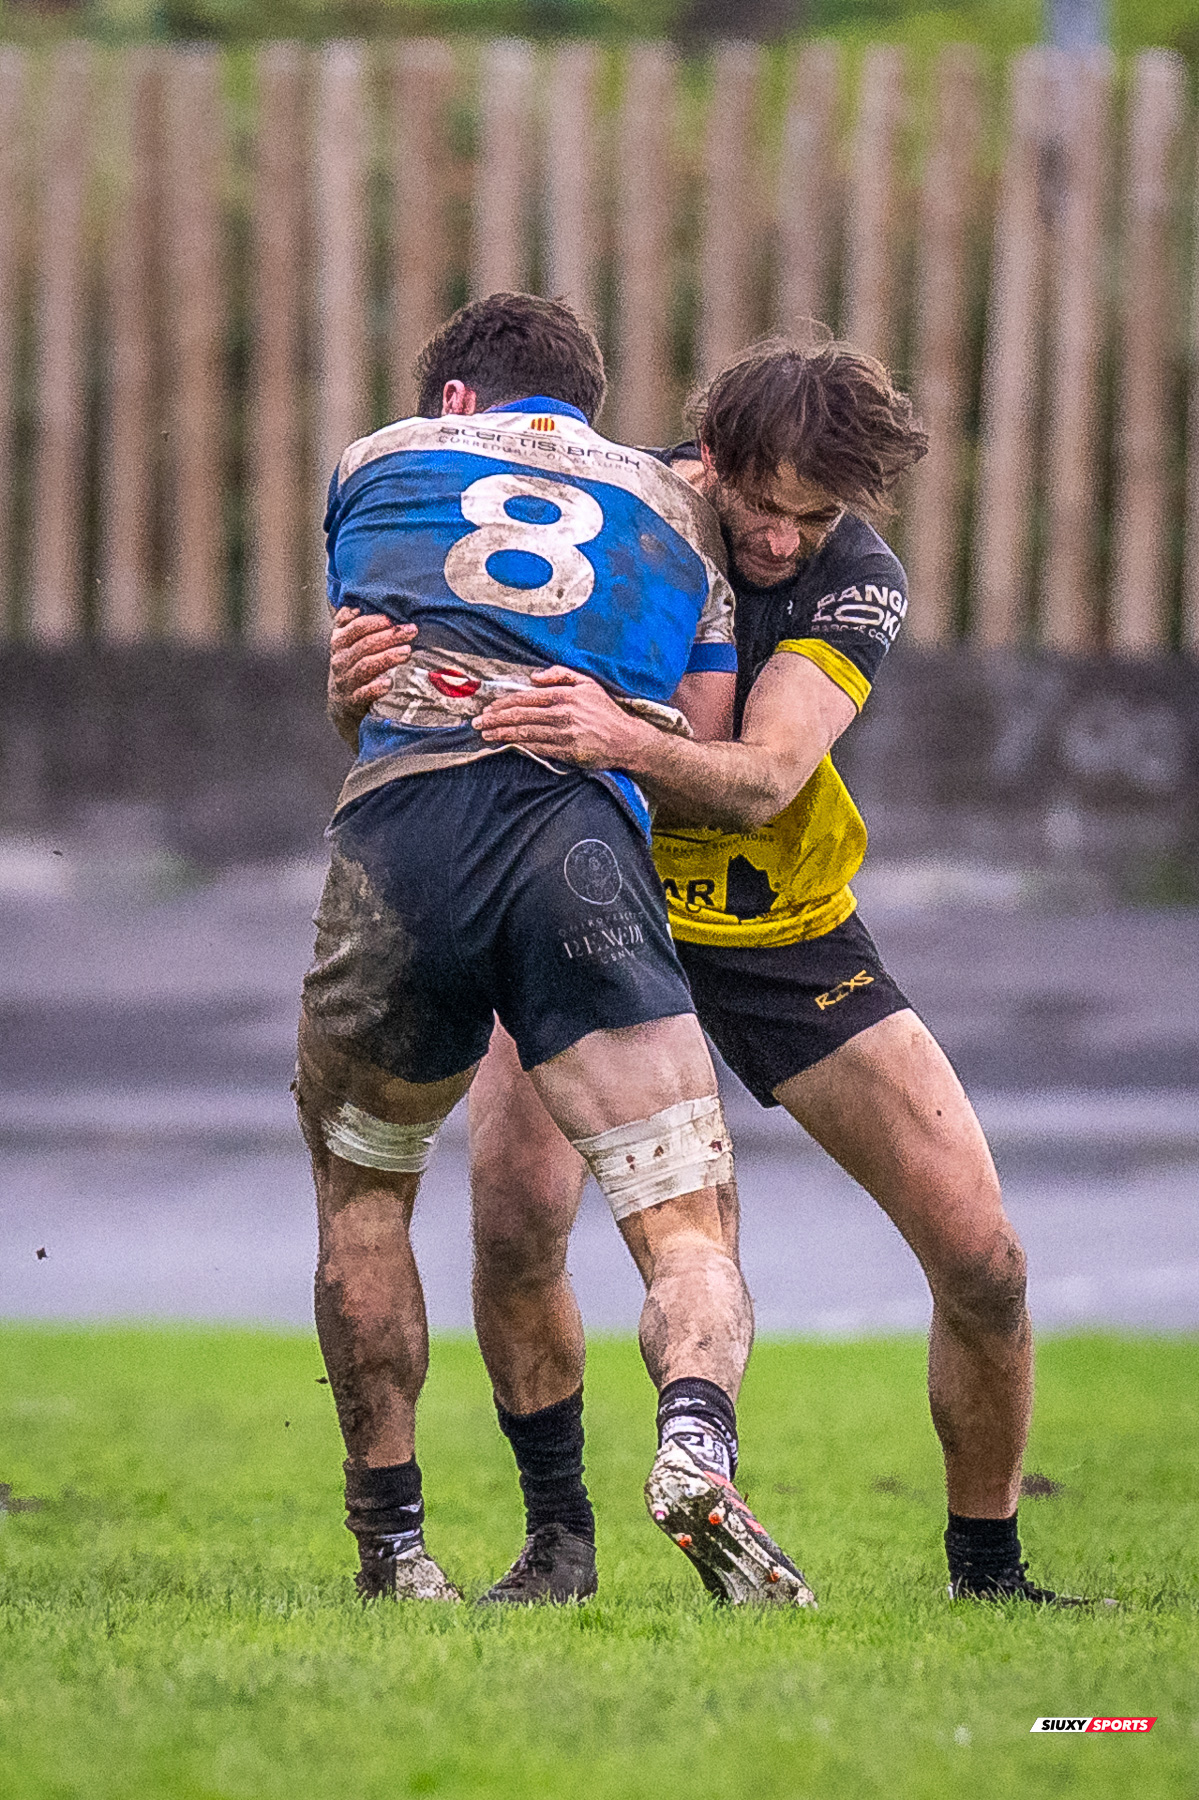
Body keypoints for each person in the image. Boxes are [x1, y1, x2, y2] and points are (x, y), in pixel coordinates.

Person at [331, 334, 1088, 1609]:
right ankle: (557, 1546)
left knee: (983, 1262)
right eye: (763, 504)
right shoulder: (622, 515)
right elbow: (451, 707)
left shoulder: (856, 576)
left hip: (778, 927)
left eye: (816, 513)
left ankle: (988, 1574)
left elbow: (765, 777)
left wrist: (618, 733)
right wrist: (355, 693)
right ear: (709, 458)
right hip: (582, 901)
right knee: (515, 1230)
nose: (785, 539)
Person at [299, 293, 814, 1610]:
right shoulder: (674, 514)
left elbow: (371, 672)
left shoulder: (377, 458)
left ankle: (395, 1554)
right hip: (576, 851)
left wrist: (352, 688)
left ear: (453, 400)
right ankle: (693, 1434)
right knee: (682, 1215)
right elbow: (697, 745)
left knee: (365, 1200)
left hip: (400, 842)